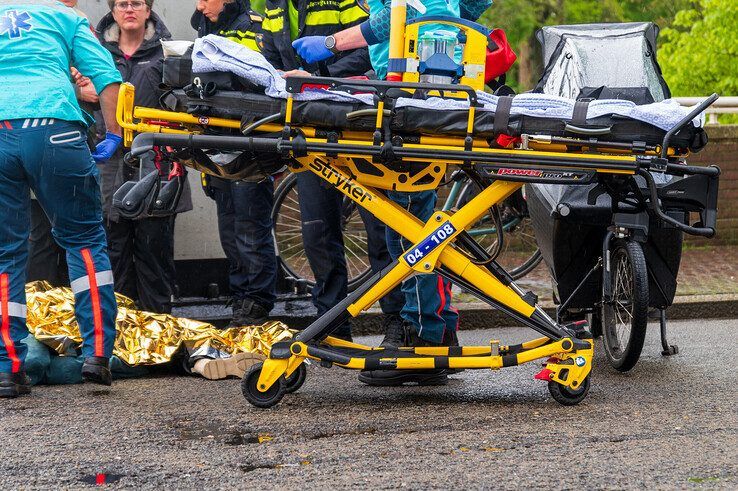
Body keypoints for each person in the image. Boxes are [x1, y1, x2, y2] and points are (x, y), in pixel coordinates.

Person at [293, 0, 493, 384]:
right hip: (422, 92)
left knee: (408, 231)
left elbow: (410, 13)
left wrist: (332, 43)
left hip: (416, 98)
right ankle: (440, 331)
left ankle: (423, 337)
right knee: (419, 225)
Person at [0, 0, 124, 397]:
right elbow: (106, 75)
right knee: (84, 242)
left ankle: (7, 368)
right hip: (55, 131)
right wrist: (113, 133)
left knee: (6, 253)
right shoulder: (66, 16)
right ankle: (98, 355)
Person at [263, 0, 405, 342]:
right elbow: (269, 58)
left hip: (356, 124)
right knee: (318, 232)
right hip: (309, 130)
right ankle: (331, 323)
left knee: (380, 229)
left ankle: (398, 322)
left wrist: (317, 78)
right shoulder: (273, 8)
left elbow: (372, 48)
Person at [96, 0, 193, 314]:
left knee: (155, 257)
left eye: (136, 3)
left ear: (148, 10)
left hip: (157, 165)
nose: (129, 10)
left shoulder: (167, 54)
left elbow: (185, 106)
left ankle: (158, 341)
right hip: (109, 168)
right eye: (122, 4)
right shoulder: (96, 54)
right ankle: (121, 344)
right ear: (113, 12)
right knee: (114, 257)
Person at [192, 0, 278, 327]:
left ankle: (257, 302)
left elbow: (255, 80)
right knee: (229, 228)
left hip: (249, 144)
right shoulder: (207, 23)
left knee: (250, 228)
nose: (200, 5)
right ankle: (242, 297)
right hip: (217, 142)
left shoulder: (253, 24)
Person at [26, 0, 98, 288]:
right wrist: (75, 87)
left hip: (71, 145)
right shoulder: (32, 22)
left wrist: (82, 85)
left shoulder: (77, 21)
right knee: (42, 239)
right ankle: (46, 312)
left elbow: (96, 85)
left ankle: (70, 311)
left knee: (73, 239)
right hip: (43, 146)